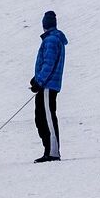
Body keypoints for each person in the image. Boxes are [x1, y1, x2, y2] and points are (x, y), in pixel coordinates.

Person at [30, 10, 67, 163]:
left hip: (47, 85)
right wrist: (36, 79)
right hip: (47, 84)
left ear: (45, 25)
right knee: (40, 117)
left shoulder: (51, 40)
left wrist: (39, 81)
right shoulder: (52, 39)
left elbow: (48, 64)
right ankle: (49, 150)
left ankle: (52, 152)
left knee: (47, 117)